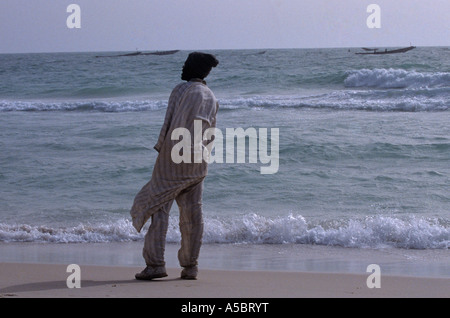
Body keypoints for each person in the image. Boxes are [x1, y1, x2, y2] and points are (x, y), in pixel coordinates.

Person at [130, 52, 219, 280]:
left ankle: (155, 264)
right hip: (197, 161)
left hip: (173, 158)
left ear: (193, 68)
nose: (182, 67)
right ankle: (190, 267)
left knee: (158, 207)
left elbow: (168, 123)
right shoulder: (211, 96)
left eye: (186, 63)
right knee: (192, 213)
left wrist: (161, 150)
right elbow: (210, 133)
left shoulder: (181, 90)